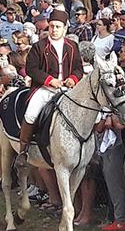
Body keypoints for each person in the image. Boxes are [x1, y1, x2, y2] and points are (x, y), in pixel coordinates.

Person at [15, 9, 84, 167]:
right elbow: (31, 69)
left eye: (58, 27)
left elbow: (78, 68)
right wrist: (49, 80)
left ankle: (86, 149)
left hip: (67, 89)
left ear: (65, 29)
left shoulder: (72, 46)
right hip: (44, 89)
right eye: (52, 26)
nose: (54, 30)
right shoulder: (39, 46)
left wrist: (73, 79)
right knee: (31, 114)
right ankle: (23, 150)